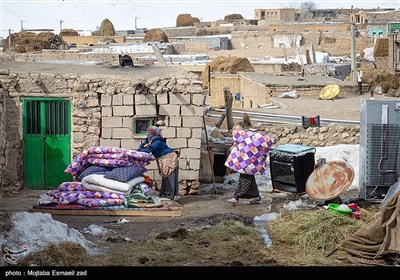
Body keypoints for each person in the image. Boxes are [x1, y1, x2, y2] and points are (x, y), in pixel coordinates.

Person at [225, 125, 273, 206]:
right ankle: (257, 196)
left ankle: (236, 197)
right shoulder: (245, 138)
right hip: (248, 162)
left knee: (244, 179)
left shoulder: (246, 138)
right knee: (249, 178)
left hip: (249, 162)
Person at [138, 126, 179, 200]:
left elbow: (149, 149)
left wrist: (142, 148)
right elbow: (142, 145)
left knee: (170, 176)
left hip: (169, 158)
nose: (149, 132)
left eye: (151, 131)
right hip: (162, 159)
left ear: (155, 133)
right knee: (165, 176)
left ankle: (170, 194)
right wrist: (142, 146)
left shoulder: (157, 141)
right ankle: (165, 193)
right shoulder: (150, 139)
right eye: (149, 131)